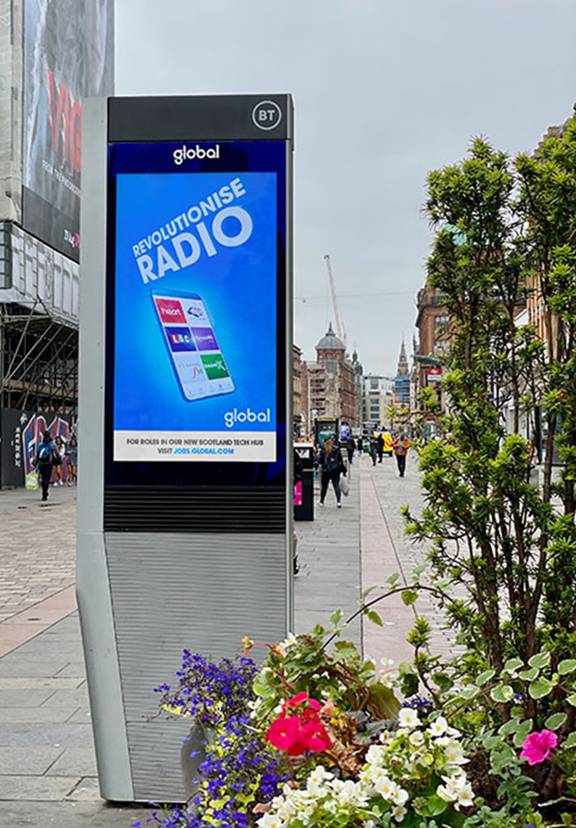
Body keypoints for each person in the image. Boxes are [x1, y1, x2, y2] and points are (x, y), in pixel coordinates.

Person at [318, 437, 346, 508]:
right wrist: (344, 470)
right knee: (336, 486)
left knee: (324, 487)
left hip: (326, 471)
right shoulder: (336, 450)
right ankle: (338, 502)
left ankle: (322, 501)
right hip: (335, 471)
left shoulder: (323, 450)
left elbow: (319, 461)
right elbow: (340, 461)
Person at [33, 431, 58, 502]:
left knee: (43, 478)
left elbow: (37, 454)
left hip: (41, 463)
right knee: (47, 478)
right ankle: (45, 493)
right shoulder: (52, 444)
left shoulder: (41, 444)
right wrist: (59, 460)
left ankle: (44, 492)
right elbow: (57, 453)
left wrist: (35, 462)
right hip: (48, 464)